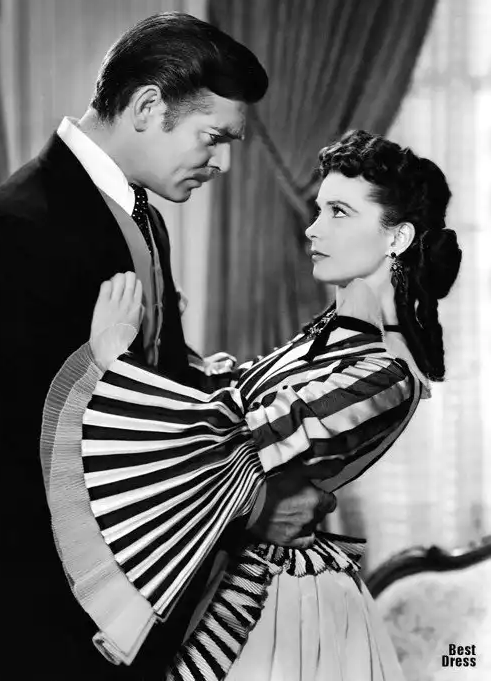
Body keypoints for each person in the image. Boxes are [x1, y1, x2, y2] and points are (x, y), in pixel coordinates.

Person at [0, 12, 335, 680]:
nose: (224, 163)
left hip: (124, 606)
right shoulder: (15, 228)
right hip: (28, 612)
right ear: (148, 106)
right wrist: (253, 507)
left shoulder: (142, 218)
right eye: (214, 137)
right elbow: (55, 448)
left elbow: (163, 391)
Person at [40, 129, 462, 680]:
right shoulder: (329, 340)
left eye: (339, 212)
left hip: (280, 607)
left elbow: (231, 440)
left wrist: (114, 362)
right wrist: (167, 340)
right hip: (239, 576)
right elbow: (232, 392)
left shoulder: (387, 373)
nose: (313, 228)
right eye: (319, 209)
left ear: (397, 237)